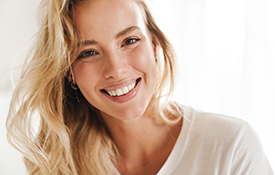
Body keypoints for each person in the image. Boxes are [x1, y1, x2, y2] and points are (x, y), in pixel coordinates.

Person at [6, 0, 273, 174]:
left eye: (130, 40)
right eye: (87, 53)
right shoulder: (61, 166)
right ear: (69, 73)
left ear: (155, 44)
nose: (116, 69)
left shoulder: (231, 147)